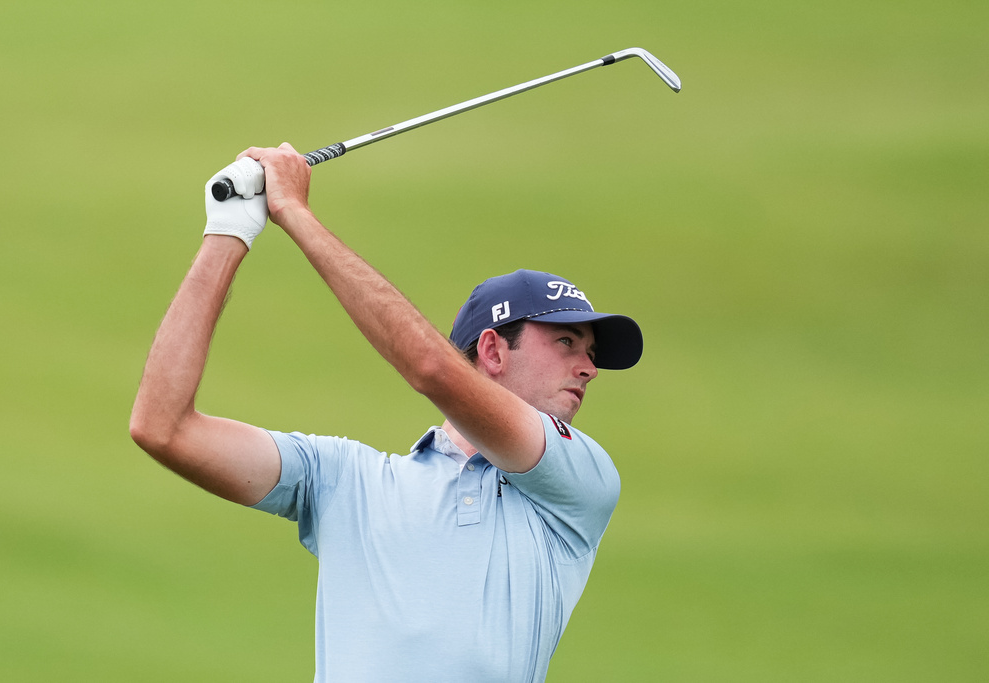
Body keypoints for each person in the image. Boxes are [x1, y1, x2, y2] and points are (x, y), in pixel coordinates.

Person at [130, 143, 643, 682]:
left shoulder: (580, 479)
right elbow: (163, 428)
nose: (589, 367)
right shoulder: (343, 480)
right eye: (567, 342)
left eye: (589, 352)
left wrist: (294, 213)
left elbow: (432, 369)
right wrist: (229, 229)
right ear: (492, 351)